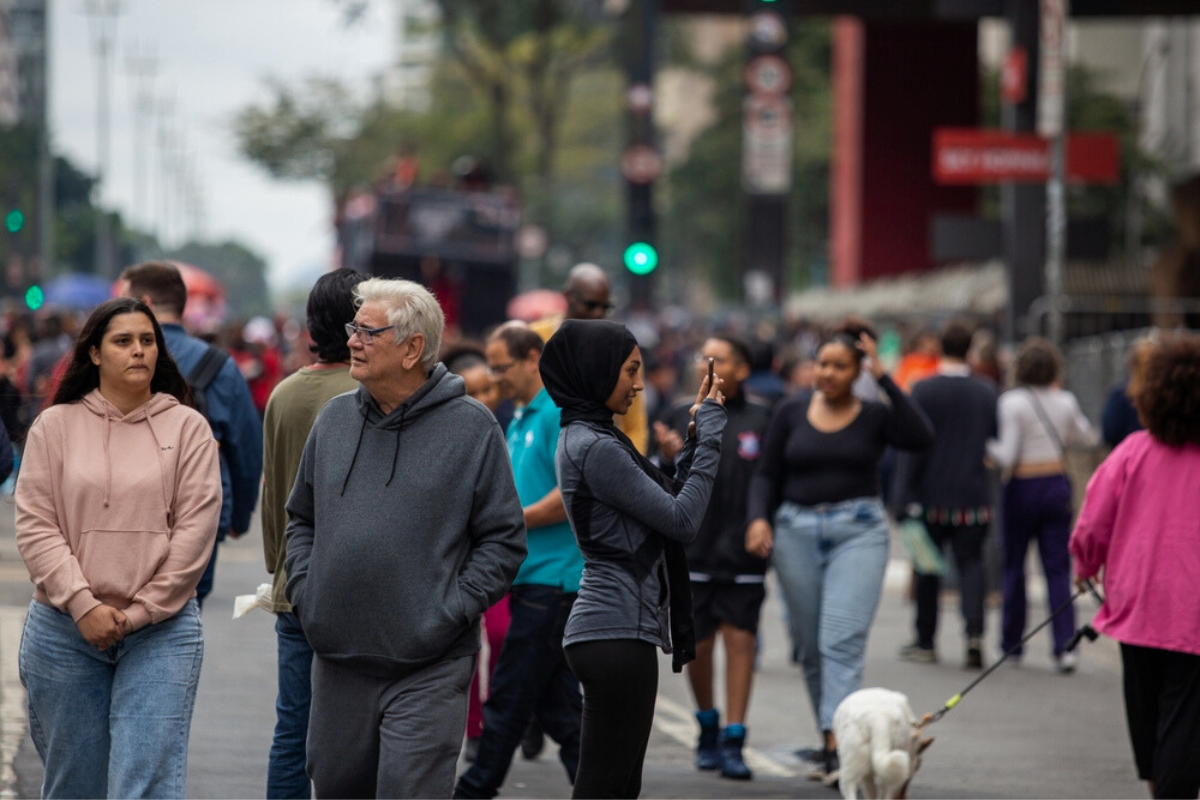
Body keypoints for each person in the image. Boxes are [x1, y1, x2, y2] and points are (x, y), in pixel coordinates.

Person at [283, 278, 526, 798]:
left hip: (430, 664)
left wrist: (447, 609)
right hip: (338, 660)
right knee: (336, 788)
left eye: (367, 332)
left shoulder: (473, 428)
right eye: (353, 329)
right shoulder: (333, 420)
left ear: (412, 348)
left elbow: (504, 542)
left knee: (408, 791)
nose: (351, 341)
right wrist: (308, 594)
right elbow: (300, 520)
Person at [15, 297, 221, 799]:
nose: (138, 351)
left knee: (144, 786)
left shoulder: (188, 428)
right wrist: (83, 604)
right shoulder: (55, 426)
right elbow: (36, 524)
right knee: (74, 787)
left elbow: (196, 532)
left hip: (161, 632)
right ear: (94, 354)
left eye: (147, 341)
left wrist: (139, 614)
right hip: (65, 631)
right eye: (123, 341)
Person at [539, 319, 726, 799]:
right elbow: (683, 520)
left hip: (614, 631)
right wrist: (710, 440)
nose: (639, 384)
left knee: (619, 788)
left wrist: (693, 442)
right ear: (595, 371)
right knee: (604, 789)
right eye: (629, 371)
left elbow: (664, 502)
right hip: (613, 633)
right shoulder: (596, 445)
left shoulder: (592, 436)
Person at [745, 320, 934, 785]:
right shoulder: (789, 412)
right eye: (822, 364)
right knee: (809, 647)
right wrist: (758, 518)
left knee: (840, 642)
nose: (827, 373)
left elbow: (921, 435)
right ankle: (832, 730)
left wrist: (885, 374)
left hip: (859, 531)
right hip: (795, 532)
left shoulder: (874, 414)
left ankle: (836, 743)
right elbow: (766, 474)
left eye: (840, 366)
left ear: (858, 371)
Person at [455, 322, 585, 799]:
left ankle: (473, 789)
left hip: (552, 582)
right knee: (560, 710)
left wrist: (508, 522)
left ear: (533, 358)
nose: (496, 377)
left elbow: (569, 494)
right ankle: (606, 789)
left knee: (507, 699)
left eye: (501, 366)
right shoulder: (522, 416)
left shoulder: (556, 414)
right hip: (527, 579)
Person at [1070, 334, 1200, 799]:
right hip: (1193, 613)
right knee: (1183, 717)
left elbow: (1092, 524)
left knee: (1145, 719)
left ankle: (1160, 787)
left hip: (1138, 604)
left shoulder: (1130, 451)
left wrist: (1085, 566)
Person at [259, 268, 367, 799]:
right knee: (361, 731)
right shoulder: (372, 391)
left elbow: (274, 492)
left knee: (293, 730)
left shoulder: (283, 395)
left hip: (294, 587)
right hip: (361, 589)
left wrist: (279, 568)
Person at [654, 335, 770, 780]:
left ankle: (735, 736)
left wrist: (762, 521)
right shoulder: (679, 412)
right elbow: (658, 478)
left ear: (742, 369)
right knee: (698, 645)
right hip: (693, 549)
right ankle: (707, 725)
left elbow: (770, 477)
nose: (710, 365)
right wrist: (669, 457)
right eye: (706, 358)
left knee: (741, 640)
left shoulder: (763, 417)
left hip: (743, 549)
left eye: (720, 359)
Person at [120, 261, 262, 606]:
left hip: (123, 510)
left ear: (147, 304)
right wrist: (238, 516)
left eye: (125, 303)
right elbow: (246, 449)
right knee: (185, 610)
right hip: (200, 513)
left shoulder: (114, 355)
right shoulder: (220, 365)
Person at [987, 337, 1098, 674]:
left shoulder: (1012, 402)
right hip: (1056, 484)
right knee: (1057, 570)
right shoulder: (1065, 401)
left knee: (1014, 566)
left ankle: (1012, 644)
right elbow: (1087, 436)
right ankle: (1065, 647)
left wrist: (984, 446)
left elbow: (1006, 454)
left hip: (1021, 487)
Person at [893, 319, 998, 669]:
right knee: (971, 565)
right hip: (972, 494)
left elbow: (910, 448)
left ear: (939, 347)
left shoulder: (923, 390)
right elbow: (994, 441)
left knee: (927, 568)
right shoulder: (986, 391)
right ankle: (974, 635)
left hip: (930, 494)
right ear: (970, 349)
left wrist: (902, 494)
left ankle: (926, 640)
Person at [443, 339, 513, 762]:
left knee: (503, 636)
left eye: (489, 389)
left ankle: (505, 717)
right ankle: (472, 729)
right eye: (474, 392)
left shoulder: (510, 424)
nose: (485, 398)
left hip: (497, 556)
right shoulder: (443, 434)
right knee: (465, 644)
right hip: (453, 559)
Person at [531, 262, 649, 454]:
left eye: (605, 306)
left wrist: (629, 470)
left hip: (601, 460)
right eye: (591, 305)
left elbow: (635, 426)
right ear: (568, 296)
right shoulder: (536, 339)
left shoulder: (622, 349)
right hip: (543, 458)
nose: (598, 313)